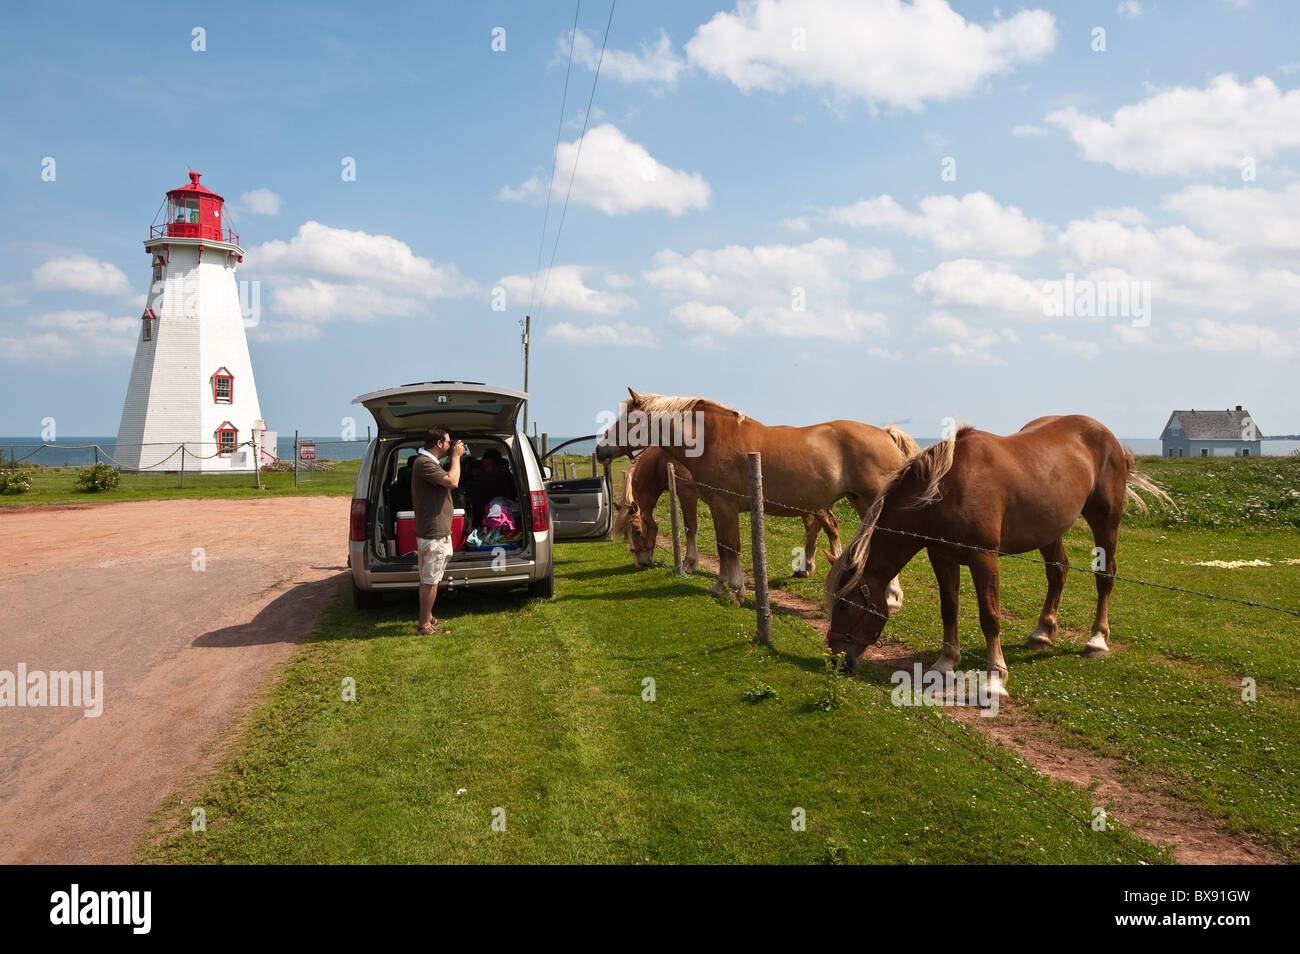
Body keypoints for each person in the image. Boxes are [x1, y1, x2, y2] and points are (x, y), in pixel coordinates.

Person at [411, 425, 466, 635]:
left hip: (436, 531)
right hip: (432, 532)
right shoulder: (424, 463)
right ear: (439, 444)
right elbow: (452, 481)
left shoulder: (429, 462)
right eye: (449, 442)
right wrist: (457, 457)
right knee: (430, 581)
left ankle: (429, 616)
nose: (451, 445)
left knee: (431, 578)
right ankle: (424, 626)